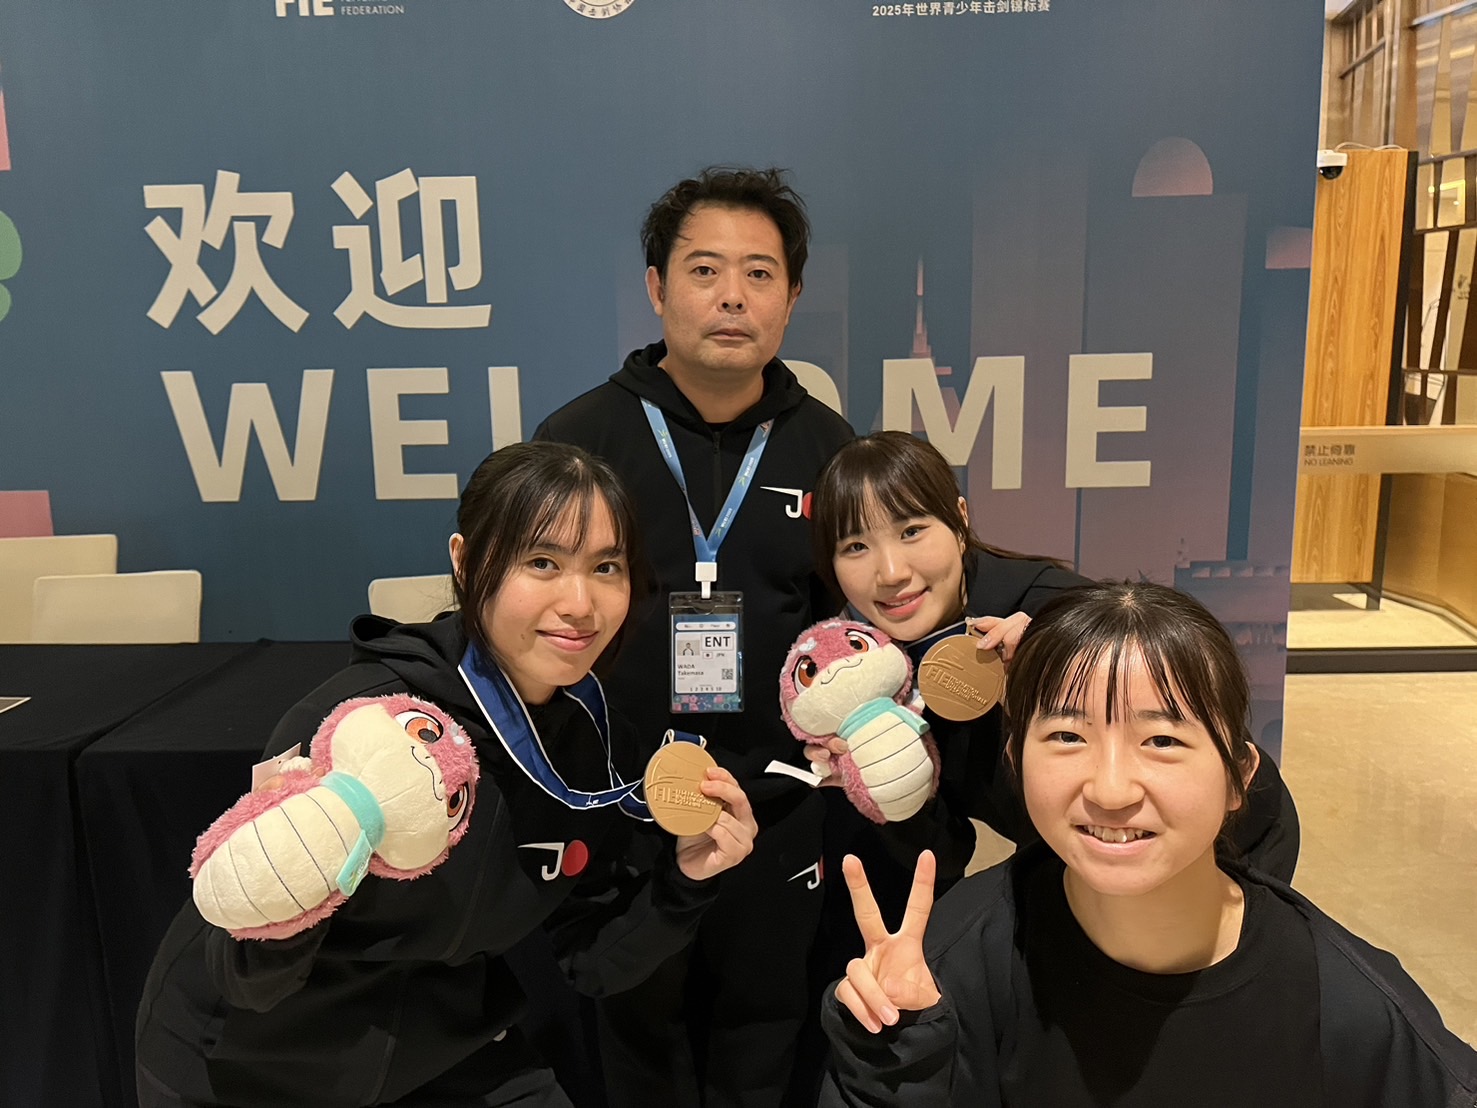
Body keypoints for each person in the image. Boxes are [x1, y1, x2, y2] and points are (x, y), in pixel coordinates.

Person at [133, 442, 758, 1108]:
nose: (581, 603)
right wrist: (299, 875)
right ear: (465, 560)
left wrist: (686, 880)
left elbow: (592, 962)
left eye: (606, 566)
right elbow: (245, 977)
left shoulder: (596, 743)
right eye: (542, 562)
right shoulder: (360, 723)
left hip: (447, 1050)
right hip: (252, 1066)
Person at [822, 581, 1477, 1106]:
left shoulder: (1347, 1010)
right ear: (1017, 761)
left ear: (1237, 778)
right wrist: (893, 1061)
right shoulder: (953, 964)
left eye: (1161, 740)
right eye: (1067, 737)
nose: (1110, 789)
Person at [535, 165, 854, 1106]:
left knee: (764, 1031)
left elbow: (867, 624)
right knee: (636, 1034)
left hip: (779, 805)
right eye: (704, 270)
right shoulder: (579, 441)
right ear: (656, 286)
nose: (731, 297)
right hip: (621, 806)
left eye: (759, 274)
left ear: (792, 296)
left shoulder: (830, 450)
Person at [803, 431, 1298, 889]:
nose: (891, 572)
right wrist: (890, 788)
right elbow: (946, 856)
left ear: (959, 520)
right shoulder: (875, 676)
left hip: (1230, 842)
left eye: (912, 531)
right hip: (1085, 869)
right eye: (856, 546)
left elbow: (1209, 752)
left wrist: (1064, 666)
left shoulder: (1053, 612)